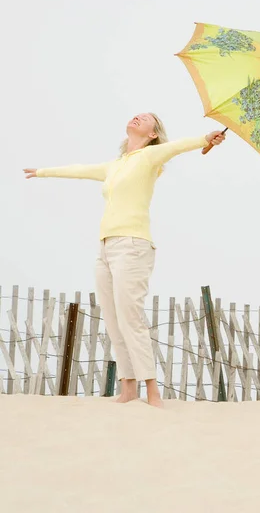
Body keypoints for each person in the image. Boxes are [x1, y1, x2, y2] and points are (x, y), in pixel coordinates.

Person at [23, 113, 226, 407]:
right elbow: (79, 170)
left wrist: (206, 139)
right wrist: (42, 171)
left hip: (132, 246)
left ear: (153, 133)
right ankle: (128, 387)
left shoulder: (149, 157)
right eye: (137, 114)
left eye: (146, 118)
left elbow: (179, 146)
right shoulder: (115, 165)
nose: (138, 117)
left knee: (132, 319)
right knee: (114, 319)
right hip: (105, 248)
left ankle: (152, 392)